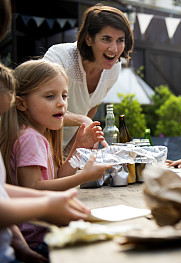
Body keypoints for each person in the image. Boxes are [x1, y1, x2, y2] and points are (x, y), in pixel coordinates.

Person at [0, 59, 112, 259]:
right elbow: (33, 188)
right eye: (50, 96)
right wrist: (82, 177)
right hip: (37, 239)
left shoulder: (35, 134)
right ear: (21, 103)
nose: (61, 103)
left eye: (64, 95)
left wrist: (78, 147)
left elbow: (56, 178)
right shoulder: (30, 139)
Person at [42, 4, 134, 154]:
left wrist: (70, 153)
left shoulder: (114, 68)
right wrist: (82, 120)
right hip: (37, 148)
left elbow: (92, 106)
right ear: (89, 39)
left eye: (120, 40)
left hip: (65, 152)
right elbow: (41, 109)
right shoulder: (60, 57)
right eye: (106, 39)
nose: (114, 49)